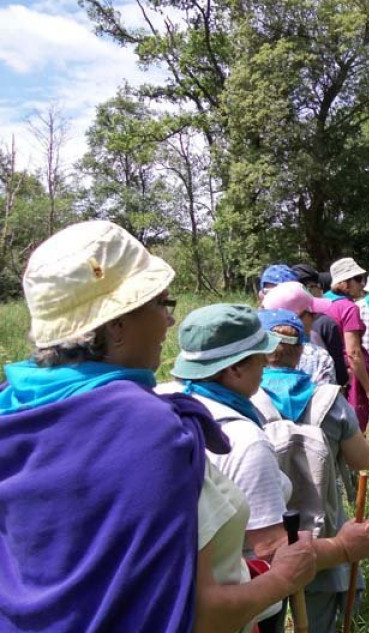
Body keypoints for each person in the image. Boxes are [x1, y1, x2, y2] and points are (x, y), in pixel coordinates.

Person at [0, 220, 211, 632]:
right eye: (161, 304)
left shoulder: (10, 403)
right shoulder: (151, 428)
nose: (169, 322)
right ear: (116, 327)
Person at [163, 304, 369, 633]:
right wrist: (343, 547)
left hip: (169, 597)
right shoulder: (244, 439)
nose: (266, 363)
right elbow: (271, 549)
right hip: (239, 602)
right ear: (234, 369)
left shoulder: (163, 402)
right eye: (258, 357)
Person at [251, 309, 369, 633]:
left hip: (261, 539)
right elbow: (363, 461)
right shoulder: (329, 401)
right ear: (302, 350)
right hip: (323, 533)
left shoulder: (246, 400)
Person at [325, 258, 369, 431]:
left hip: (331, 374)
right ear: (343, 283)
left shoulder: (323, 305)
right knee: (355, 427)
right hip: (353, 377)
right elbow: (354, 353)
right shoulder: (349, 308)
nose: (362, 284)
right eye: (357, 279)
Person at [261, 282, 337, 386]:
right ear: (295, 318)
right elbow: (327, 399)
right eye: (312, 314)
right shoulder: (318, 356)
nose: (315, 318)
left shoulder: (253, 353)